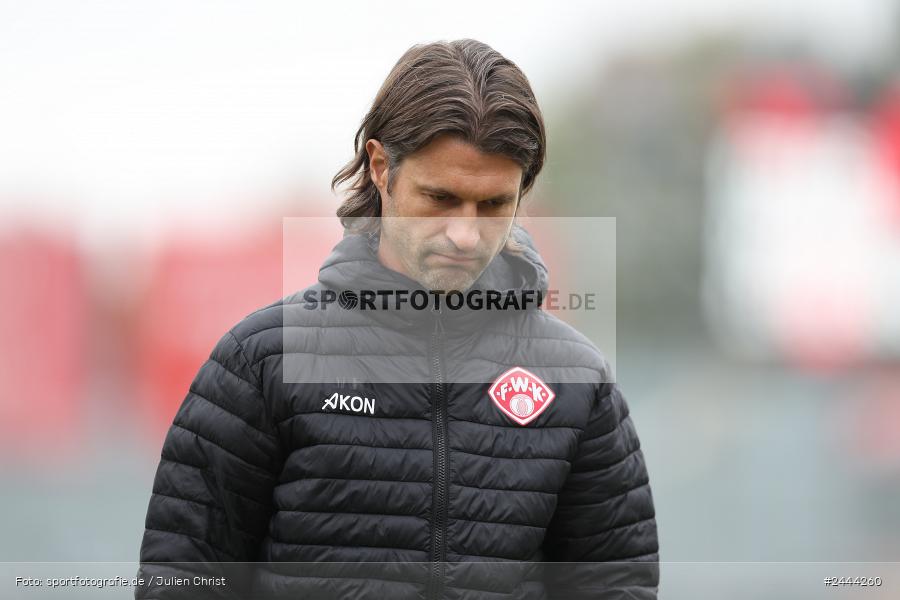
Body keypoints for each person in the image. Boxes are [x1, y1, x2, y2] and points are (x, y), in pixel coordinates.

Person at [136, 39, 659, 600]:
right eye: (440, 198)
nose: (465, 234)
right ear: (381, 168)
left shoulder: (576, 379)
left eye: (492, 205)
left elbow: (616, 587)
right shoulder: (260, 360)